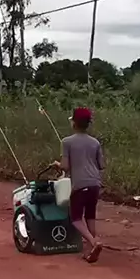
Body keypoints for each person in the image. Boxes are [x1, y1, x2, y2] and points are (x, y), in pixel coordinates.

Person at [52, 107, 105, 263]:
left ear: (74, 123)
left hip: (80, 184)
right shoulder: (95, 142)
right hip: (95, 183)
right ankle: (91, 248)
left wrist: (57, 164)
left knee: (76, 218)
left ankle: (94, 242)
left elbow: (65, 167)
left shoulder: (66, 142)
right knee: (90, 216)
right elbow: (101, 165)